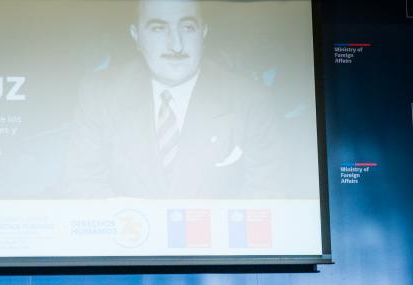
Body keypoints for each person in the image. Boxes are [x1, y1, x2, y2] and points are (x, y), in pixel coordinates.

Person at [63, 0, 302, 200]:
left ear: (203, 33)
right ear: (136, 36)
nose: (176, 45)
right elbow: (83, 186)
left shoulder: (251, 100)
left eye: (187, 27)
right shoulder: (98, 94)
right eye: (158, 28)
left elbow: (269, 196)